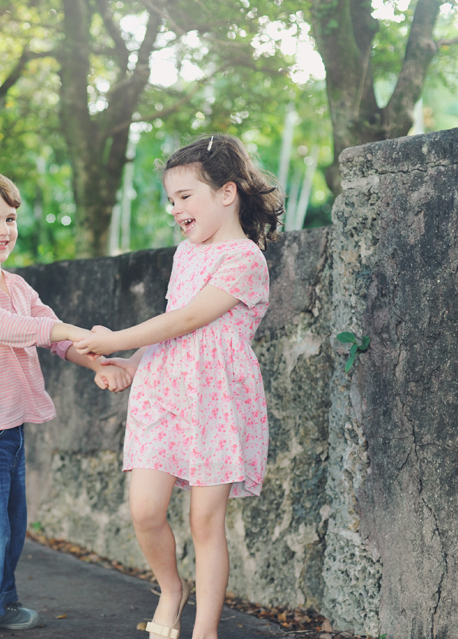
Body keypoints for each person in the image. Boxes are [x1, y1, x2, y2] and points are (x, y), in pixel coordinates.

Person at [74, 134, 283, 639]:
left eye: (185, 196)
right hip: (163, 393)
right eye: (171, 199)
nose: (175, 209)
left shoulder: (245, 258)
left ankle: (204, 630)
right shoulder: (184, 254)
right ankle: (172, 589)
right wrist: (129, 359)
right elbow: (171, 327)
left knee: (205, 523)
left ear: (226, 193)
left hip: (216, 399)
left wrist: (114, 336)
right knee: (144, 511)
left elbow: (189, 319)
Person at [0, 160, 133, 639]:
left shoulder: (16, 285)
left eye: (10, 219)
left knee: (10, 522)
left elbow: (53, 339)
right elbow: (20, 329)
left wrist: (99, 363)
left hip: (8, 425)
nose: (4, 230)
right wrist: (68, 329)